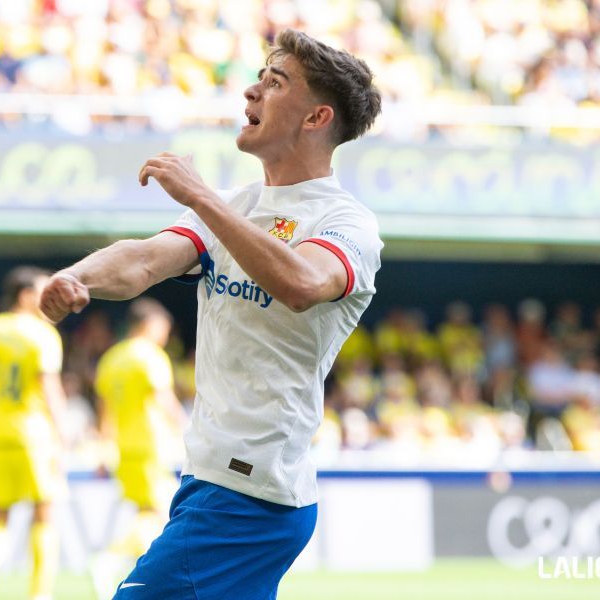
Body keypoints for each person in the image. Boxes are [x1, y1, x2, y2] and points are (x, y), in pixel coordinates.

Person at [40, 29, 383, 599]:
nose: (251, 92)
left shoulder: (346, 223)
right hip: (210, 475)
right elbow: (147, 259)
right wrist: (80, 277)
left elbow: (301, 283)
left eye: (275, 83)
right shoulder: (242, 205)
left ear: (317, 117)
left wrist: (203, 197)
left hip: (252, 490)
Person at [0, 266, 67, 600]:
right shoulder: (40, 333)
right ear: (25, 296)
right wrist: (63, 434)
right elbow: (48, 387)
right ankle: (40, 593)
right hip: (34, 436)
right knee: (45, 512)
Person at [91, 298, 186, 598]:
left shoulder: (112, 358)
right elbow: (164, 400)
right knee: (159, 513)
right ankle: (108, 560)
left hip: (124, 447)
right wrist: (187, 429)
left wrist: (105, 444)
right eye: (163, 328)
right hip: (151, 445)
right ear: (149, 324)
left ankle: (135, 572)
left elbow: (104, 409)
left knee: (148, 512)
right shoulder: (150, 356)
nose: (165, 335)